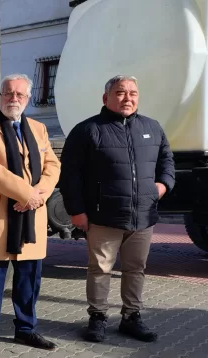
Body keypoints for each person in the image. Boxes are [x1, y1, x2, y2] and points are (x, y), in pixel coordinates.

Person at [60, 75, 175, 343]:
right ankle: (97, 317)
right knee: (100, 269)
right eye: (120, 92)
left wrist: (163, 185)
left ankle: (131, 317)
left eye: (133, 93)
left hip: (143, 215)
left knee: (136, 268)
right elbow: (70, 175)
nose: (127, 98)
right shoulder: (87, 130)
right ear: (106, 98)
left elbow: (167, 160)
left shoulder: (152, 127)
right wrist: (76, 210)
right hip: (104, 215)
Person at [0, 73, 62, 358]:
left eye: (20, 95)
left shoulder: (38, 128)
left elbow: (52, 166)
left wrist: (39, 195)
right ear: (0, 97)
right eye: (9, 94)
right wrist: (26, 194)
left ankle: (26, 329)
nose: (14, 99)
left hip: (32, 214)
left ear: (28, 99)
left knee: (29, 278)